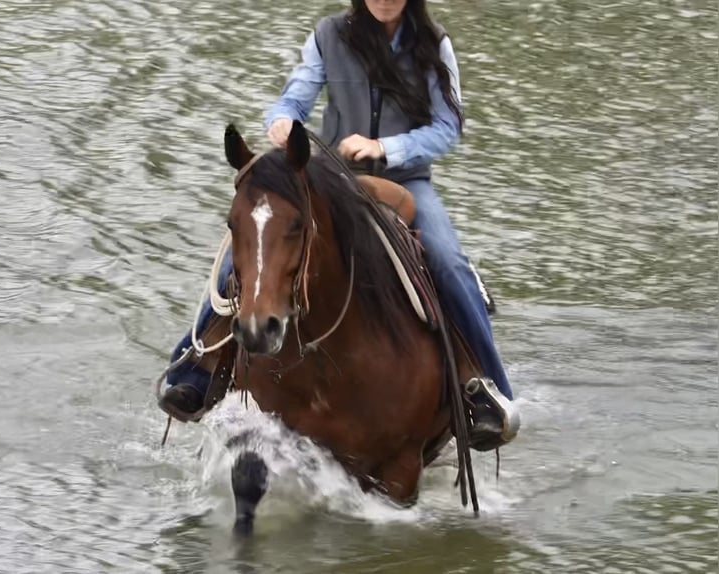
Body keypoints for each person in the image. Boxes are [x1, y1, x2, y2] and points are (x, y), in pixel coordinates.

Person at [159, 0, 520, 450]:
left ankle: (488, 392)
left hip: (406, 179)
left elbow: (448, 127)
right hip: (331, 180)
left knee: (448, 261)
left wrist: (384, 147)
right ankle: (194, 369)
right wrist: (282, 120)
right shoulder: (328, 35)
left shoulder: (435, 44)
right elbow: (296, 95)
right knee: (247, 250)